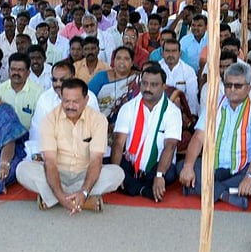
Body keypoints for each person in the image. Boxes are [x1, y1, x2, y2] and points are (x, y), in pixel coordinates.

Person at [16, 78, 124, 212]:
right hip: (57, 172)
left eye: (75, 102)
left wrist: (84, 191)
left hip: (85, 173)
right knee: (22, 169)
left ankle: (54, 197)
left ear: (86, 100)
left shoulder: (98, 120)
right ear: (61, 98)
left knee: (117, 173)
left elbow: (96, 160)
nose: (70, 106)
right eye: (66, 101)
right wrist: (61, 195)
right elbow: (50, 162)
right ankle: (80, 201)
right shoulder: (50, 119)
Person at [178, 63, 251, 209]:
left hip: (241, 169)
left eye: (238, 86)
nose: (232, 89)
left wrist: (250, 177)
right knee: (183, 166)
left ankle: (201, 188)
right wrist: (188, 167)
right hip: (213, 167)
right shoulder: (213, 106)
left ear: (249, 88)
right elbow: (198, 138)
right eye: (228, 85)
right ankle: (225, 195)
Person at [110, 65, 181, 201]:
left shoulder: (172, 112)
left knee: (169, 174)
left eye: (154, 85)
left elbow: (170, 146)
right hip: (131, 162)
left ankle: (133, 187)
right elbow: (119, 143)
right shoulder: (129, 108)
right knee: (113, 167)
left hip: (158, 165)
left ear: (164, 86)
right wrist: (115, 171)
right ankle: (143, 190)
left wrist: (159, 175)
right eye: (144, 83)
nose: (147, 89)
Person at [88, 46, 138, 121]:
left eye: (126, 59)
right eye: (118, 58)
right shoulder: (101, 77)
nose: (122, 61)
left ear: (132, 63)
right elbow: (88, 97)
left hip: (129, 121)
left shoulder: (137, 78)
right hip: (100, 120)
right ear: (113, 61)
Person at [0, 52, 43, 129]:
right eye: (13, 69)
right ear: (8, 71)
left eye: (20, 70)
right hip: (5, 137)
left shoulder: (38, 93)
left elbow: (40, 123)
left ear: (28, 73)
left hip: (29, 137)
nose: (16, 73)